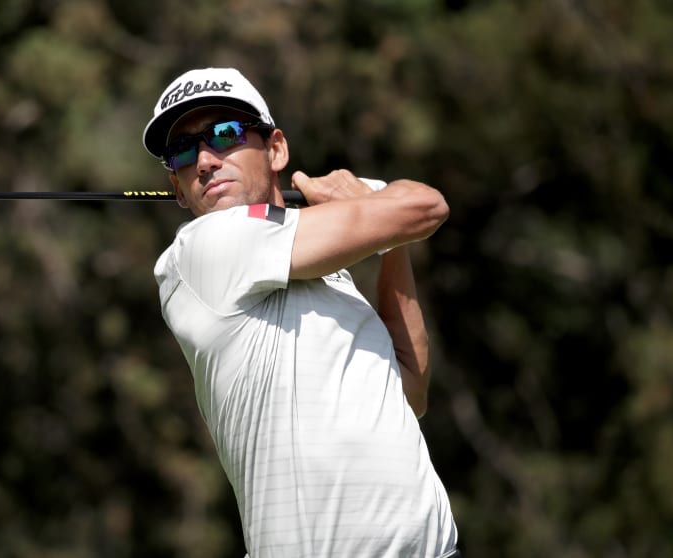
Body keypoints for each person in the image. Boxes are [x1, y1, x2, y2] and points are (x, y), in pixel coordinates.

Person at [143, 67, 459, 557]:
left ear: (276, 150)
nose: (204, 160)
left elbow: (410, 392)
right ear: (179, 189)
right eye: (182, 151)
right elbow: (428, 207)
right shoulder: (203, 250)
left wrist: (389, 240)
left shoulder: (330, 274)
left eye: (223, 134)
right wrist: (377, 205)